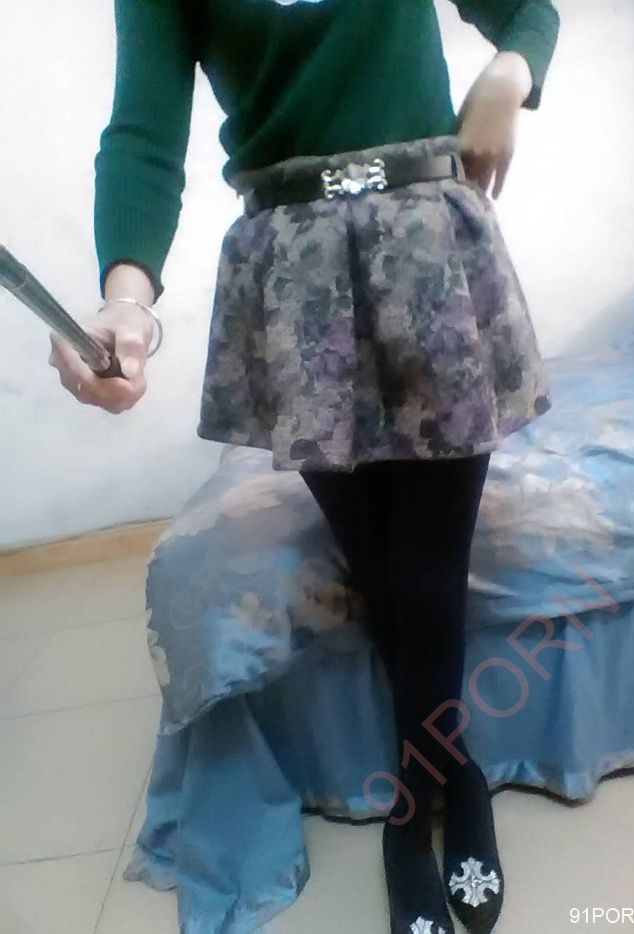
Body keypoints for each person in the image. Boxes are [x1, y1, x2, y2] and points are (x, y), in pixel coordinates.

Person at [48, 2, 560, 931]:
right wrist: (126, 297)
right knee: (382, 567)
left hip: (428, 250)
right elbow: (143, 131)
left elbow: (530, 10)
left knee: (429, 570)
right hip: (295, 282)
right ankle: (456, 775)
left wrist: (510, 72)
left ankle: (418, 808)